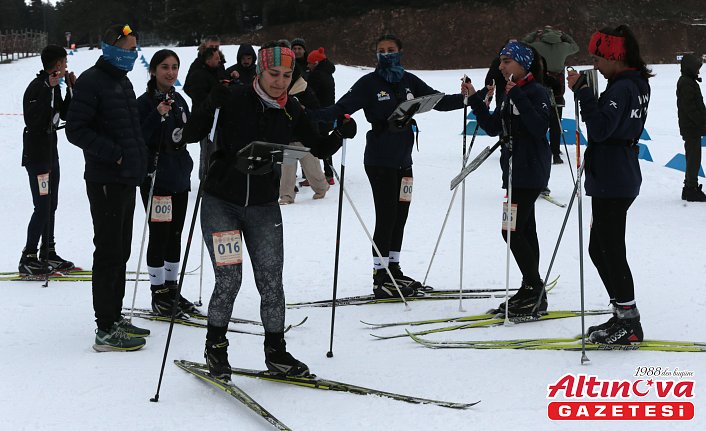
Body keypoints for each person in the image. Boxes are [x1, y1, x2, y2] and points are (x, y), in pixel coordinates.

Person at [182, 42, 356, 380]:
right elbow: (191, 134)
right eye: (273, 74)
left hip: (263, 207)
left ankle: (276, 352)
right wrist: (207, 104)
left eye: (287, 75)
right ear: (260, 72)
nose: (280, 81)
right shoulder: (232, 98)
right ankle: (215, 348)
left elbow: (316, 146)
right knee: (229, 280)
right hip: (221, 203)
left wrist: (339, 134)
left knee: (271, 282)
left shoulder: (292, 108)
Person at [309, 34, 470, 299]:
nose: (386, 54)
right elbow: (340, 108)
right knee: (386, 218)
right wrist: (306, 114)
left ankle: (394, 269)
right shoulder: (369, 83)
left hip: (404, 162)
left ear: (400, 51)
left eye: (391, 50)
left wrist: (467, 99)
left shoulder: (408, 80)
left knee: (400, 218)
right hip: (379, 161)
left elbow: (436, 101)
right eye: (381, 51)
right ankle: (380, 276)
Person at [66, 24, 150, 352]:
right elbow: (75, 129)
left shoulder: (122, 82)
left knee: (121, 251)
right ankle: (105, 329)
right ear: (112, 47)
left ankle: (115, 317)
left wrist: (140, 158)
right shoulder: (92, 81)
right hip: (105, 181)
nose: (132, 55)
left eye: (135, 50)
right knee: (108, 252)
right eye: (128, 49)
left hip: (126, 179)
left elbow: (129, 130)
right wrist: (114, 154)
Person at [567, 25, 652, 344]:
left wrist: (584, 94)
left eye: (600, 57)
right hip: (615, 172)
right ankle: (622, 312)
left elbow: (601, 129)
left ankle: (629, 321)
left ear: (617, 56)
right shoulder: (633, 82)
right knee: (599, 247)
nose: (596, 63)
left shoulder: (622, 88)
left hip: (614, 176)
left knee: (610, 249)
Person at [466, 41, 552, 316]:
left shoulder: (536, 91)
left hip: (530, 170)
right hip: (514, 171)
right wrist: (475, 101)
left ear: (523, 64)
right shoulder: (508, 92)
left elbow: (539, 128)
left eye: (507, 61)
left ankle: (535, 290)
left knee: (510, 230)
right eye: (500, 61)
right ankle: (530, 288)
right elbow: (493, 127)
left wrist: (518, 98)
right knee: (525, 230)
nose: (501, 67)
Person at [136, 49, 199, 316]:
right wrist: (157, 114)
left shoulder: (180, 100)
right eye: (165, 67)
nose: (171, 72)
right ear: (153, 71)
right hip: (156, 179)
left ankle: (172, 288)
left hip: (179, 175)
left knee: (176, 235)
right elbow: (139, 136)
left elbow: (189, 131)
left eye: (174, 67)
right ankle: (158, 292)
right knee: (159, 235)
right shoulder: (144, 102)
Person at [19, 45, 76, 275]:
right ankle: (28, 256)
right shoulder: (37, 87)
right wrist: (47, 91)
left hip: (52, 153)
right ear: (57, 65)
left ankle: (48, 251)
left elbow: (65, 114)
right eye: (64, 63)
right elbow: (33, 120)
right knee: (42, 206)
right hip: (37, 156)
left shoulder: (54, 87)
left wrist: (71, 88)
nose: (65, 67)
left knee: (51, 204)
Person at [523, 26, 579, 164]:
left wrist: (534, 33)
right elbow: (575, 47)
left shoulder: (536, 46)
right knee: (556, 122)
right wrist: (565, 35)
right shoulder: (564, 46)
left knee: (537, 119)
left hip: (541, 84)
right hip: (558, 87)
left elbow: (523, 44)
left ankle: (537, 149)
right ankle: (555, 152)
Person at [278, 61, 330, 204]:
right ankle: (286, 196)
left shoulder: (305, 90)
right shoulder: (280, 90)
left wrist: (303, 109)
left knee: (311, 167)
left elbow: (316, 110)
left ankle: (321, 187)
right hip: (288, 135)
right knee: (287, 169)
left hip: (306, 135)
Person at [184, 47, 226, 180]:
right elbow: (195, 94)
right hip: (204, 118)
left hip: (219, 117)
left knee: (218, 149)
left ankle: (215, 178)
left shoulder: (217, 71)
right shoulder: (199, 74)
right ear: (208, 60)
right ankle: (205, 179)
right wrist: (212, 99)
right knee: (208, 150)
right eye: (216, 58)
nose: (219, 60)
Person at [676, 53, 706, 202]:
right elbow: (691, 109)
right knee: (694, 158)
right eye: (696, 68)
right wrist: (702, 123)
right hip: (691, 128)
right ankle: (690, 188)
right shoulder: (686, 83)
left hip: (693, 127)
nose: (698, 71)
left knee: (694, 157)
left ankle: (690, 186)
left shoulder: (689, 82)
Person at [307, 47, 337, 184]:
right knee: (325, 144)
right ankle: (328, 174)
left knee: (313, 145)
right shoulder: (328, 73)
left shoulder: (316, 75)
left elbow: (309, 95)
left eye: (310, 63)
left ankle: (315, 177)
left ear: (316, 62)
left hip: (318, 115)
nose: (308, 66)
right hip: (329, 114)